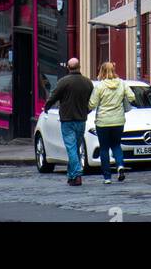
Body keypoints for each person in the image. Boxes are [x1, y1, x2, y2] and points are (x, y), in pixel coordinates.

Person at [45, 57, 95, 187]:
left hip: (67, 119)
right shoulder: (87, 82)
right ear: (79, 67)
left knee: (71, 147)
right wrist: (86, 111)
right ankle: (72, 176)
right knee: (75, 147)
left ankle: (77, 173)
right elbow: (92, 101)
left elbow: (53, 96)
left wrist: (47, 107)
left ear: (68, 67)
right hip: (81, 119)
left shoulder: (63, 82)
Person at [88, 61, 135, 185]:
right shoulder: (122, 83)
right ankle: (120, 165)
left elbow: (92, 104)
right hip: (118, 120)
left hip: (103, 121)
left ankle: (107, 177)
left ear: (102, 71)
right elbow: (132, 97)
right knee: (116, 145)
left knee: (104, 148)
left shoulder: (99, 86)